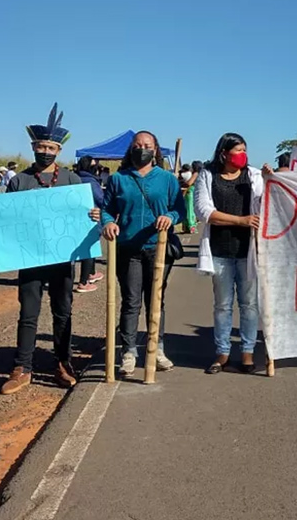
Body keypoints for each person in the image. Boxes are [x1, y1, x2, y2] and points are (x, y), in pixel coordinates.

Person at [0, 103, 100, 395]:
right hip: (30, 257)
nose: (45, 151)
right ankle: (22, 367)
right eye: (41, 146)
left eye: (51, 146)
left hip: (62, 258)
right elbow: (7, 218)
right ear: (33, 147)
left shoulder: (73, 181)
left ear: (58, 151)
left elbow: (85, 214)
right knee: (29, 312)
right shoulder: (20, 181)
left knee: (63, 312)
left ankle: (63, 362)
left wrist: (94, 216)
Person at [101, 131, 186, 376]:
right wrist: (107, 223)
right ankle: (128, 351)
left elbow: (179, 209)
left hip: (158, 248)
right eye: (138, 145)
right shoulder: (119, 179)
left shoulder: (167, 179)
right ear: (131, 149)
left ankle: (156, 348)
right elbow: (106, 209)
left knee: (156, 301)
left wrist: (169, 217)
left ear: (156, 149)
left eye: (147, 145)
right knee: (131, 302)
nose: (142, 149)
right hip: (128, 248)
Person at [194, 133, 273, 374]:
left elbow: (266, 204)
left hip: (247, 251)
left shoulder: (254, 176)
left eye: (244, 150)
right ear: (223, 153)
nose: (242, 155)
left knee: (249, 305)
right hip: (219, 250)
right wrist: (240, 220)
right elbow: (204, 211)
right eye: (237, 151)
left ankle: (247, 353)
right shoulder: (208, 176)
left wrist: (271, 181)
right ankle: (222, 353)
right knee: (223, 305)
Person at [74, 156, 105, 293]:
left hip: (76, 220)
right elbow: (101, 199)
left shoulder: (73, 178)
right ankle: (84, 281)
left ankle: (91, 273)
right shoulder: (91, 182)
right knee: (89, 249)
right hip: (92, 218)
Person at [179, 164, 198, 234]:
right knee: (190, 209)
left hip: (187, 190)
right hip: (189, 190)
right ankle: (191, 226)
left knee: (188, 209)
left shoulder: (184, 174)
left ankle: (188, 226)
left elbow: (187, 183)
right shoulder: (191, 174)